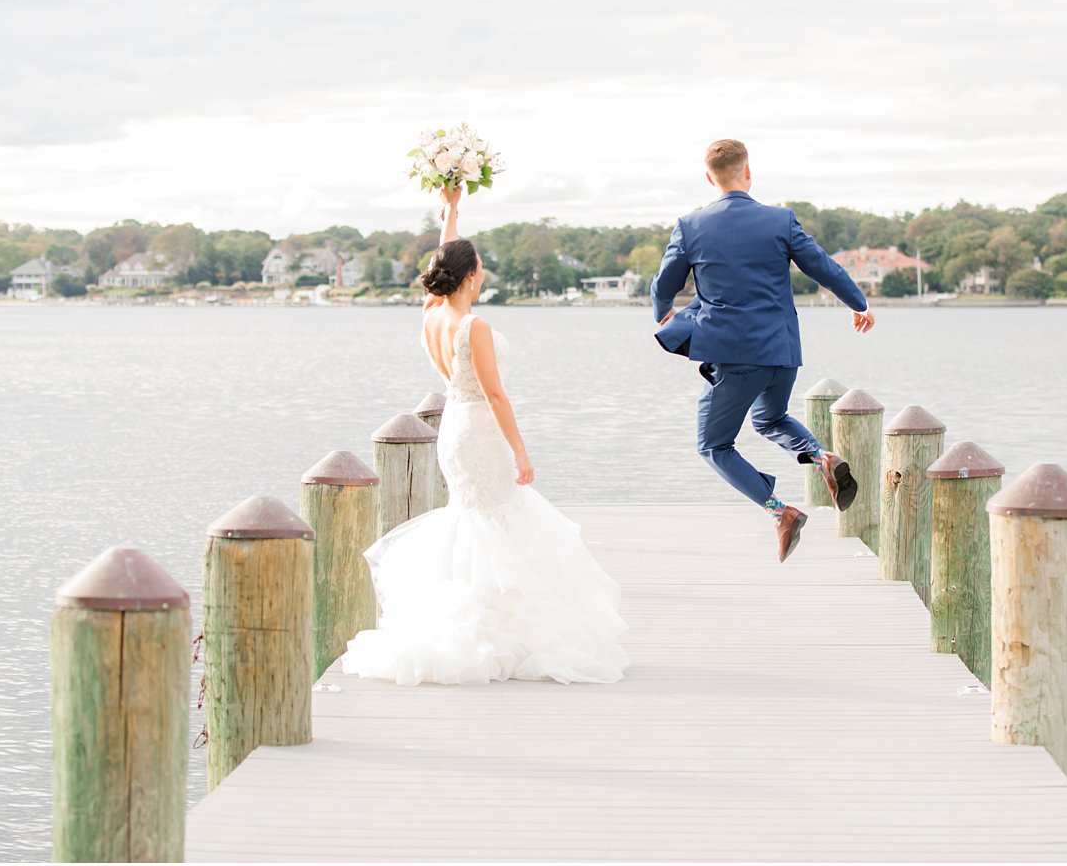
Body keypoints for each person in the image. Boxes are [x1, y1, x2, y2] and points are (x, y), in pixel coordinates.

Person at [340, 185, 628, 685]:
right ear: (471, 275)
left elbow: (444, 257)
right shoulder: (471, 325)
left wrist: (451, 211)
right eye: (480, 267)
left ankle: (477, 623)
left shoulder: (431, 315)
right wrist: (521, 451)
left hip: (454, 425)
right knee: (496, 521)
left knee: (473, 520)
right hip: (479, 427)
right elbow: (497, 396)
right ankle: (495, 632)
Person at [651, 138, 875, 562]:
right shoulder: (780, 220)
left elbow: (664, 285)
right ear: (748, 172)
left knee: (714, 446)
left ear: (708, 177)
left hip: (735, 357)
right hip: (783, 351)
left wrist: (663, 314)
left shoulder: (691, 225)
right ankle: (820, 455)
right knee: (770, 417)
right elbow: (824, 267)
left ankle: (781, 512)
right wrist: (859, 304)